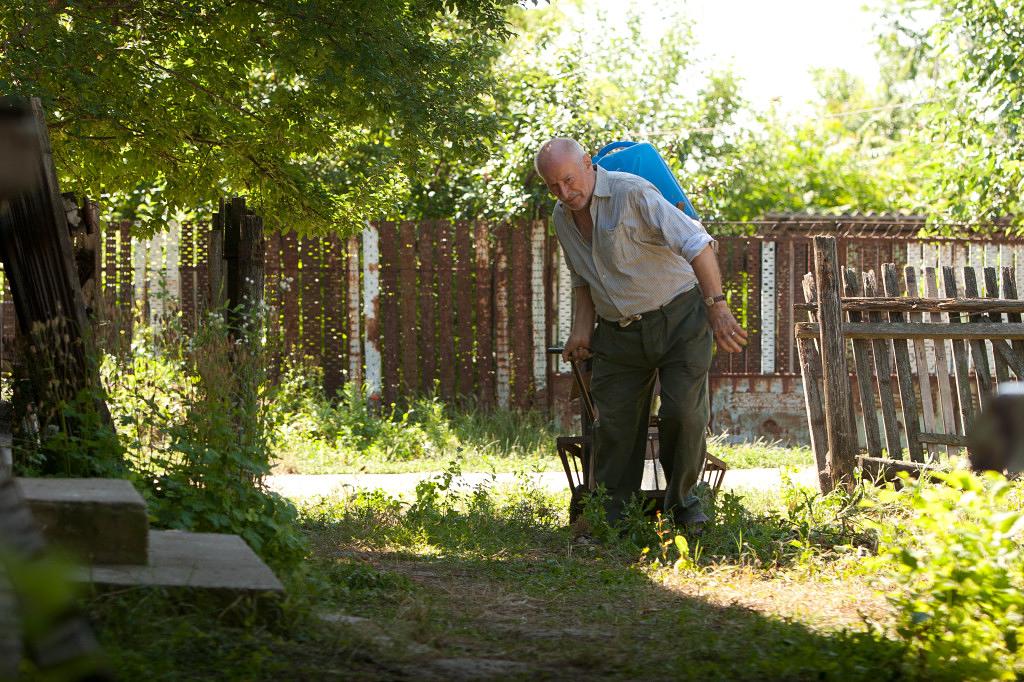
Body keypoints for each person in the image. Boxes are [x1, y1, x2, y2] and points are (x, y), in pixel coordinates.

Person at [535, 137, 748, 532]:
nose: (565, 193)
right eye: (553, 186)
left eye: (569, 180)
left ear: (587, 163)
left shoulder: (632, 193)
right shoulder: (562, 217)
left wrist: (717, 306)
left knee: (682, 412)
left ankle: (684, 508)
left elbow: (697, 244)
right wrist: (582, 332)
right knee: (614, 423)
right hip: (618, 332)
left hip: (679, 318)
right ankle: (615, 518)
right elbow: (584, 280)